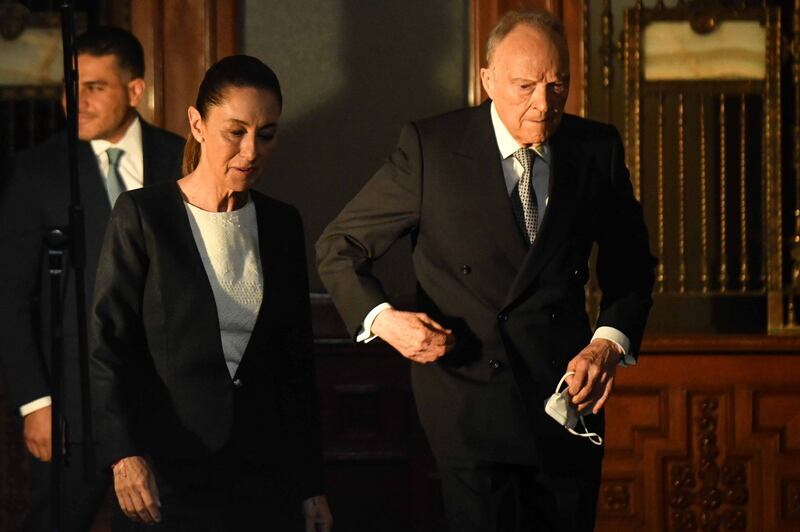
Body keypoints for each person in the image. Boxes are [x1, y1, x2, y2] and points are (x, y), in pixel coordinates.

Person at [316, 9, 656, 532]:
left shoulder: (595, 148)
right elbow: (339, 246)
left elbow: (631, 265)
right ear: (487, 79)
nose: (543, 106)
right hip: (467, 405)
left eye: (557, 86)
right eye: (525, 87)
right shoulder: (431, 149)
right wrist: (385, 321)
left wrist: (607, 343)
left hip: (565, 404)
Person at [90, 54, 333, 532]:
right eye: (235, 131)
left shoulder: (283, 224)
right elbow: (108, 346)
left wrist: (310, 484)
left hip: (265, 477)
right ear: (198, 125)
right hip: (167, 475)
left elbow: (296, 367)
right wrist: (124, 454)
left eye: (266, 134)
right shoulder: (143, 215)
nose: (251, 151)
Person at [0, 27, 184, 531]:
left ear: (135, 90)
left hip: (164, 409)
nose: (75, 101)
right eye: (69, 86)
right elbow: (10, 299)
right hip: (69, 409)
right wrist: (35, 401)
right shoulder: (36, 170)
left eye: (95, 87)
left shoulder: (184, 158)